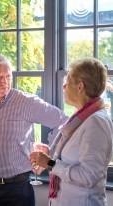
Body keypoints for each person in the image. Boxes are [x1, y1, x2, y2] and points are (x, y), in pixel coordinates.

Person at [0, 54, 68, 206]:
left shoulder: (26, 102)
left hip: (18, 191)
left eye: (8, 76)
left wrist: (48, 155)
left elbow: (63, 121)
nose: (4, 82)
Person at [30, 57, 113, 206]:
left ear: (80, 87)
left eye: (67, 82)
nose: (63, 87)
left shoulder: (96, 122)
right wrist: (52, 153)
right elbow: (73, 157)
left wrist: (49, 163)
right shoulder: (81, 118)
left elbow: (88, 176)